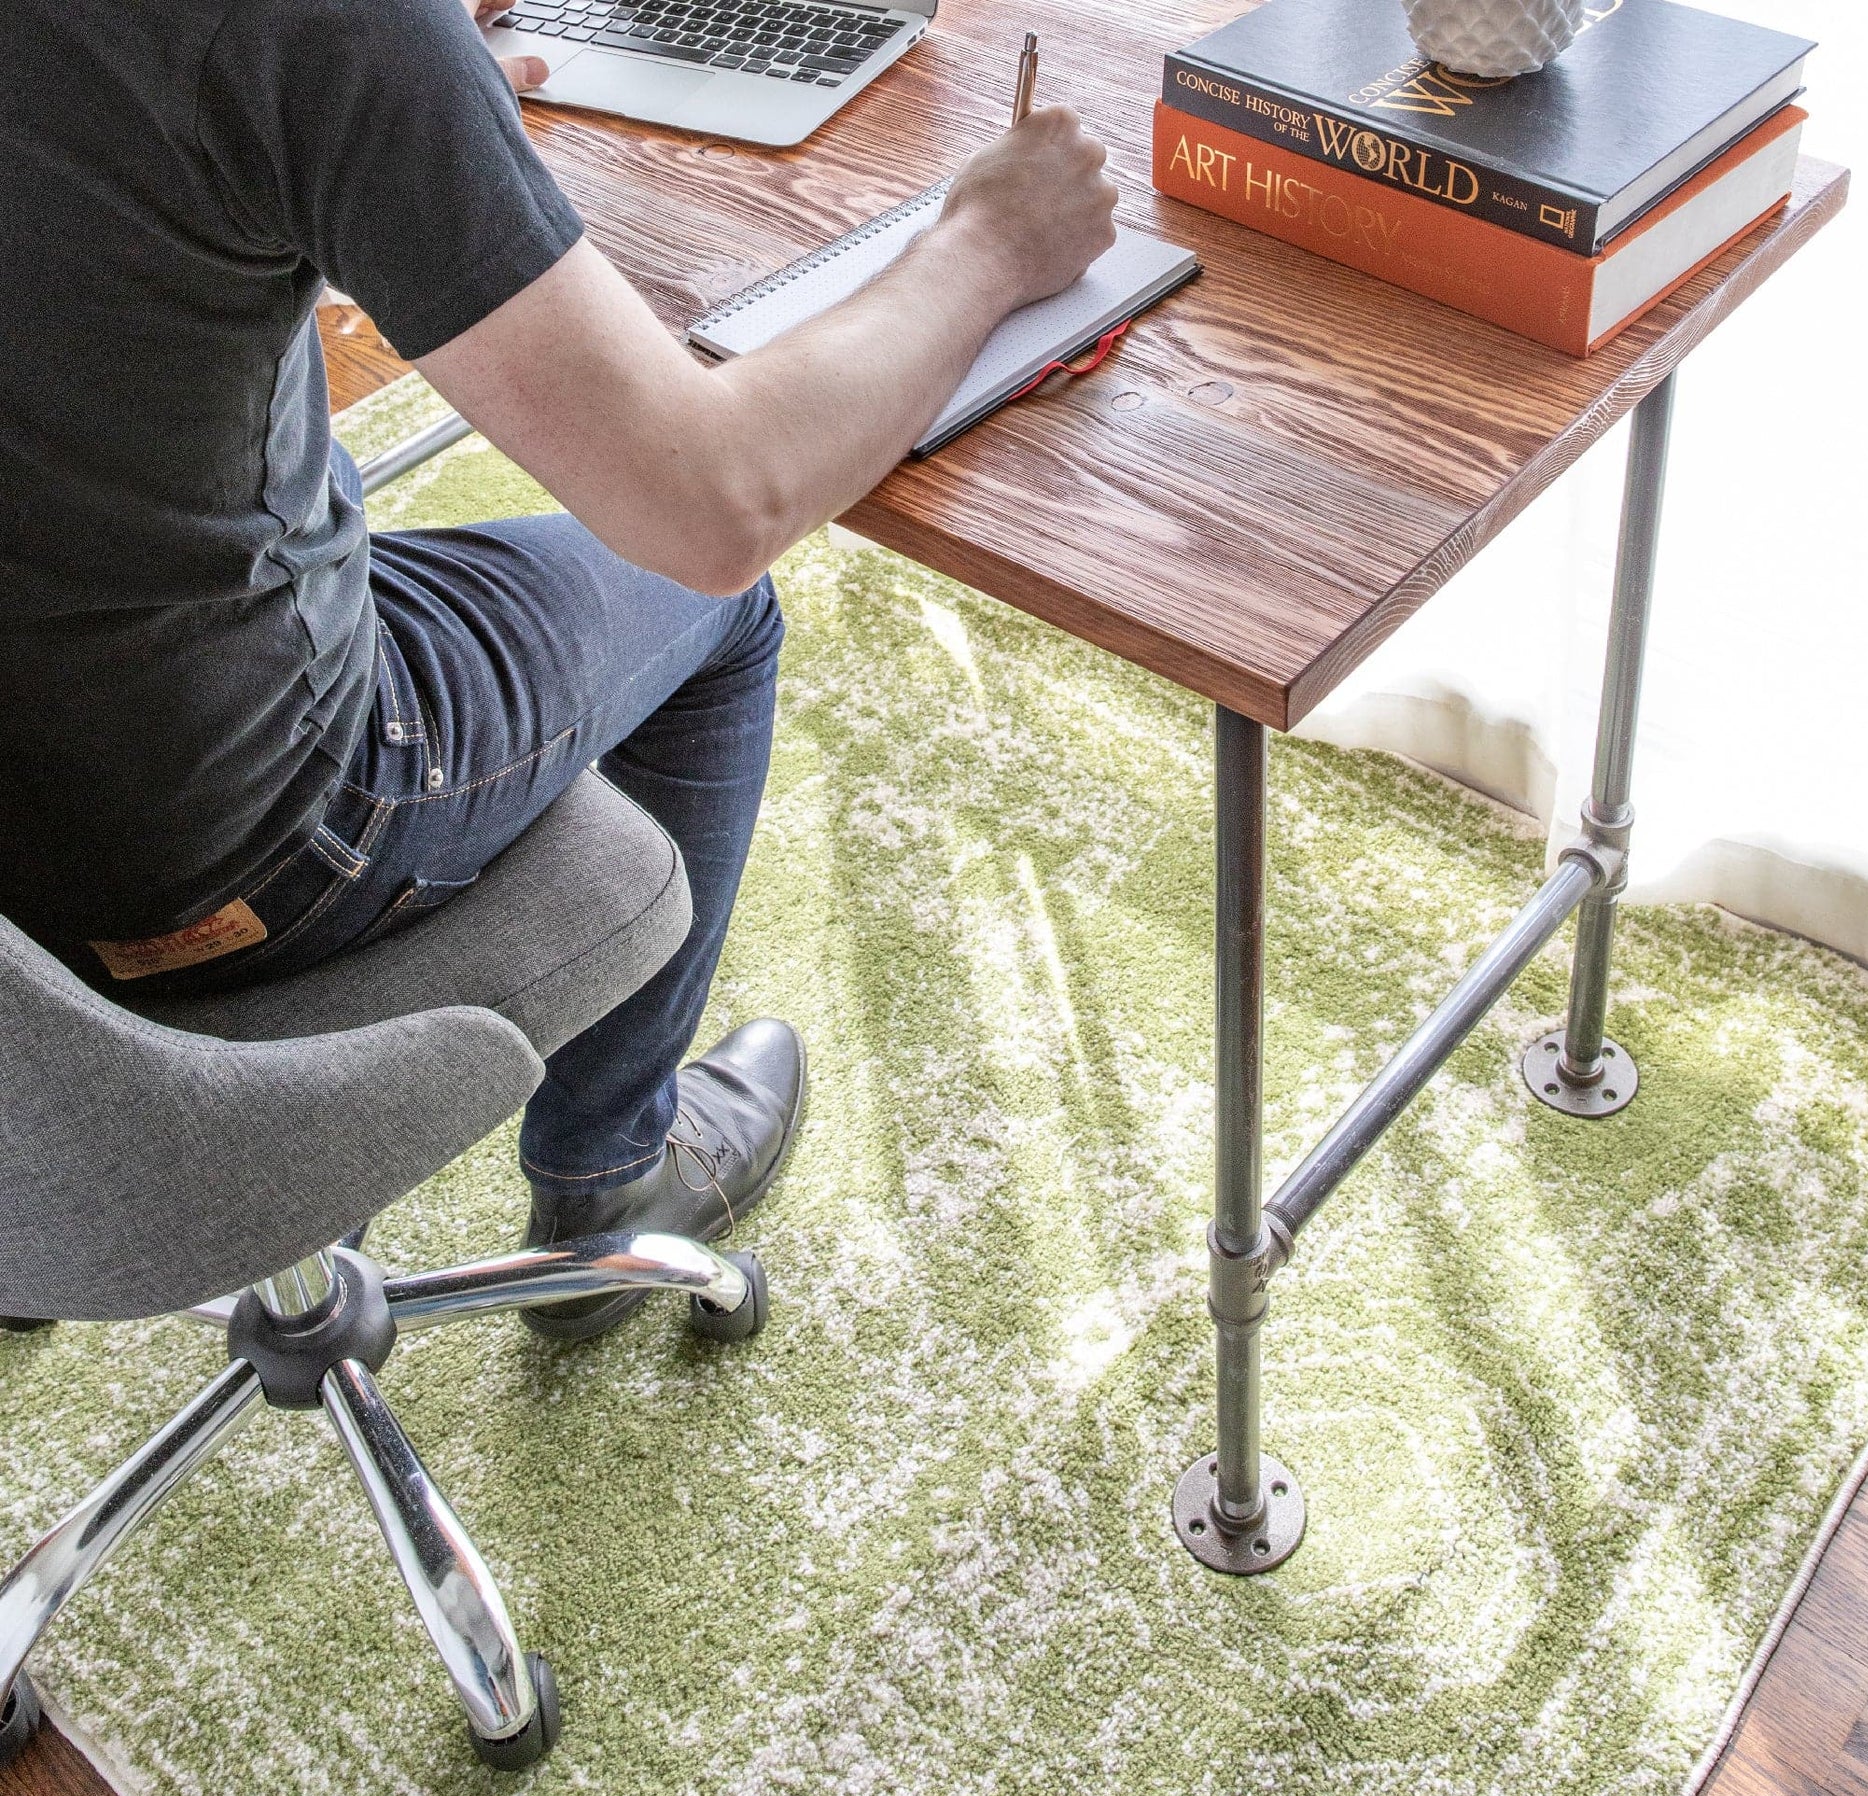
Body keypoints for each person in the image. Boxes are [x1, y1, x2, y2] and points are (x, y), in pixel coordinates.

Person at [1, 0, 1115, 1334]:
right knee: (717, 602)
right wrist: (990, 240)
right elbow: (717, 503)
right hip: (202, 844)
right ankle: (613, 1176)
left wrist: (393, 128)